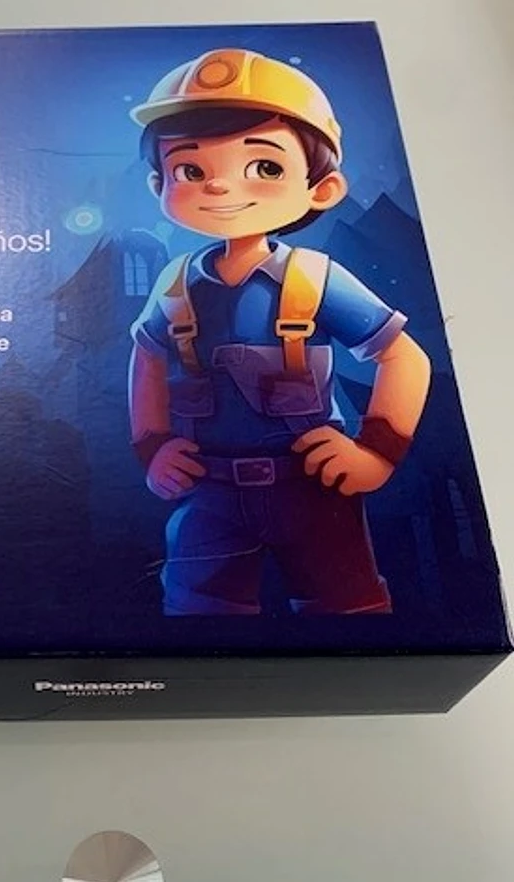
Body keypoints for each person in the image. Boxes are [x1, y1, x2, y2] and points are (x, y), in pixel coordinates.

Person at [128, 48, 431, 616]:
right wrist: (153, 447)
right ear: (158, 184)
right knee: (200, 617)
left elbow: (404, 358)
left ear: (322, 188)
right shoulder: (175, 284)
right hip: (210, 493)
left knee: (349, 618)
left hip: (312, 488)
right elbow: (147, 361)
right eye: (190, 171)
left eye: (265, 168)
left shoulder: (315, 277)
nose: (220, 188)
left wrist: (376, 452)